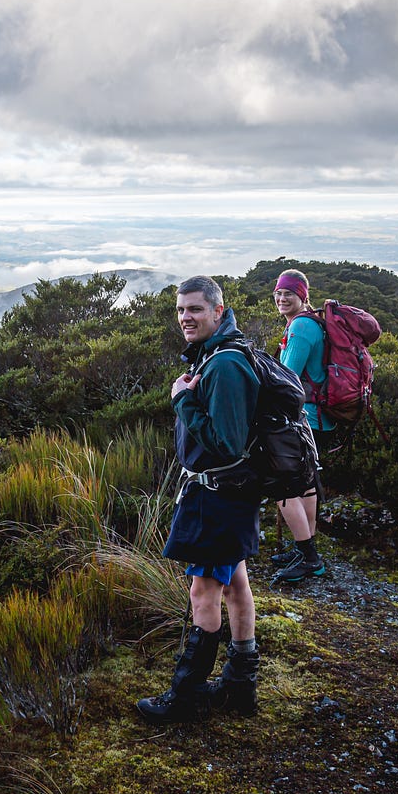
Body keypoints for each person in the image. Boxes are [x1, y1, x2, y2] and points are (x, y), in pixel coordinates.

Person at [136, 275, 262, 723]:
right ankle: (239, 685)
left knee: (202, 592)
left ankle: (185, 696)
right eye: (181, 310)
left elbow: (226, 443)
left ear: (219, 312)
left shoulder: (225, 364)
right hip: (231, 494)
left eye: (195, 310)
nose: (186, 318)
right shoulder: (216, 355)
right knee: (236, 584)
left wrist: (182, 402)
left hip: (218, 496)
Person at [270, 269, 330, 584]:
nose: (282, 298)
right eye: (278, 293)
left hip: (301, 416)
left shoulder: (302, 328)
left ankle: (308, 558)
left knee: (284, 486)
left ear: (302, 296)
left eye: (288, 294)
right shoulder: (308, 322)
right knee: (306, 484)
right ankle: (304, 546)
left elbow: (286, 378)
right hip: (313, 414)